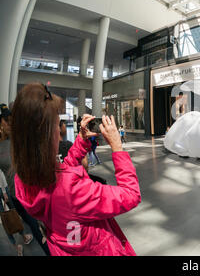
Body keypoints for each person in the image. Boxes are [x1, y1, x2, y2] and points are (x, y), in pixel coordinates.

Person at [11, 83, 141, 255]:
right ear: (47, 135)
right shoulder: (71, 190)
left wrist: (81, 140)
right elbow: (131, 194)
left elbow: (61, 174)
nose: (60, 131)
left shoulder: (24, 178)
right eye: (58, 125)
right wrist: (117, 148)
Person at [0, 103, 50, 256]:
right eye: (7, 120)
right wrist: (3, 193)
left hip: (34, 191)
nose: (10, 123)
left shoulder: (18, 139)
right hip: (17, 196)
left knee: (46, 227)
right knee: (35, 229)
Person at [0, 170, 33, 256]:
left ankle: (16, 246)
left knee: (4, 219)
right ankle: (24, 237)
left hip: (3, 188)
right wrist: (4, 191)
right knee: (14, 213)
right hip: (2, 188)